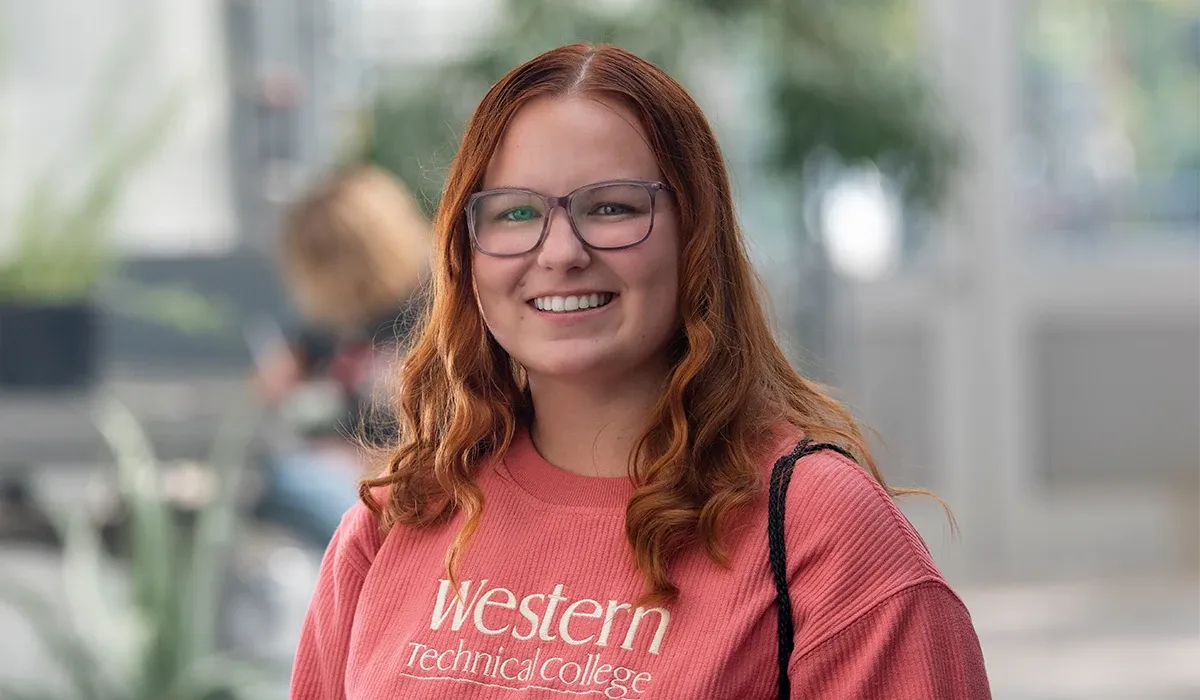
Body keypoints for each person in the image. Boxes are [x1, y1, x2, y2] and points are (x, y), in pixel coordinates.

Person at [290, 44, 991, 699]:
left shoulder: (822, 534)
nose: (560, 251)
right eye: (517, 212)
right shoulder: (393, 525)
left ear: (696, 236)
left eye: (613, 207)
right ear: (465, 252)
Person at [252, 164, 428, 548]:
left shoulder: (438, 311)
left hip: (411, 485)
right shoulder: (335, 321)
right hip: (361, 479)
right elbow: (291, 365)